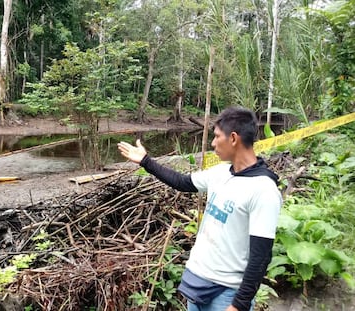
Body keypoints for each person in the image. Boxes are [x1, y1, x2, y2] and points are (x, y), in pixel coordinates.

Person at [117, 106, 282, 311]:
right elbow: (182, 182)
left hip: (227, 292)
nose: (213, 143)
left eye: (216, 137)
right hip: (197, 282)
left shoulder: (263, 190)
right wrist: (146, 161)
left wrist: (239, 304)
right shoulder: (221, 172)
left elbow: (261, 255)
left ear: (233, 138)